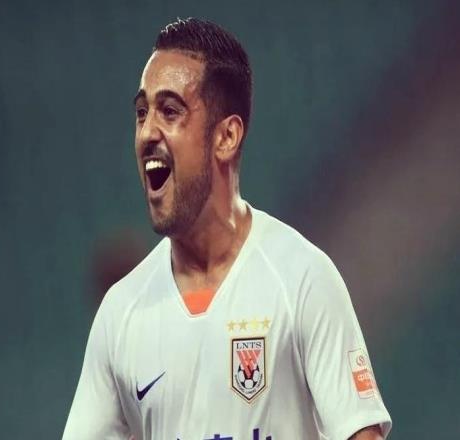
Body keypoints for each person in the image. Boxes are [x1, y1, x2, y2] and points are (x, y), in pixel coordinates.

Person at [63, 18, 392, 440]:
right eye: (142, 113)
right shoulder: (121, 312)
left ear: (227, 137)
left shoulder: (302, 280)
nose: (146, 132)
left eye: (169, 111)